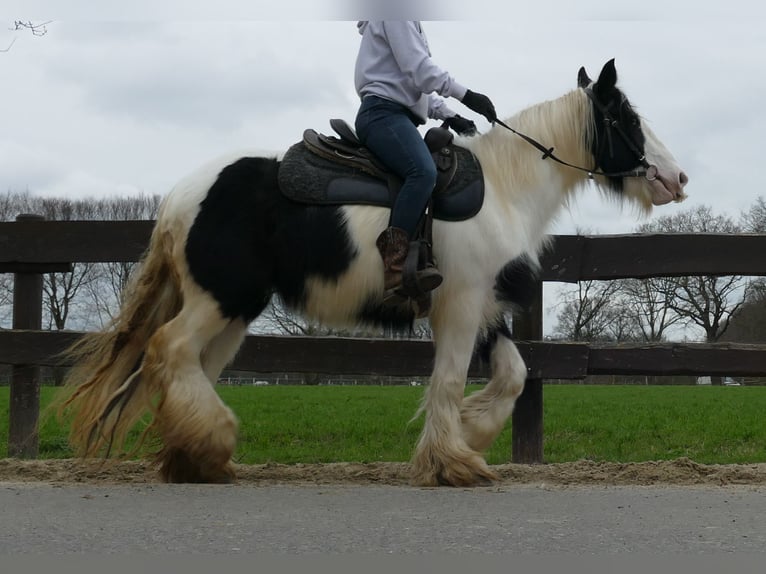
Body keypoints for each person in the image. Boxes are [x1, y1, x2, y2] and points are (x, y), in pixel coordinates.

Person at [354, 21, 497, 296]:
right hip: (383, 114)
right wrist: (467, 96)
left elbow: (413, 86)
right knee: (423, 173)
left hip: (396, 115)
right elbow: (420, 70)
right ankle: (393, 265)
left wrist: (451, 115)